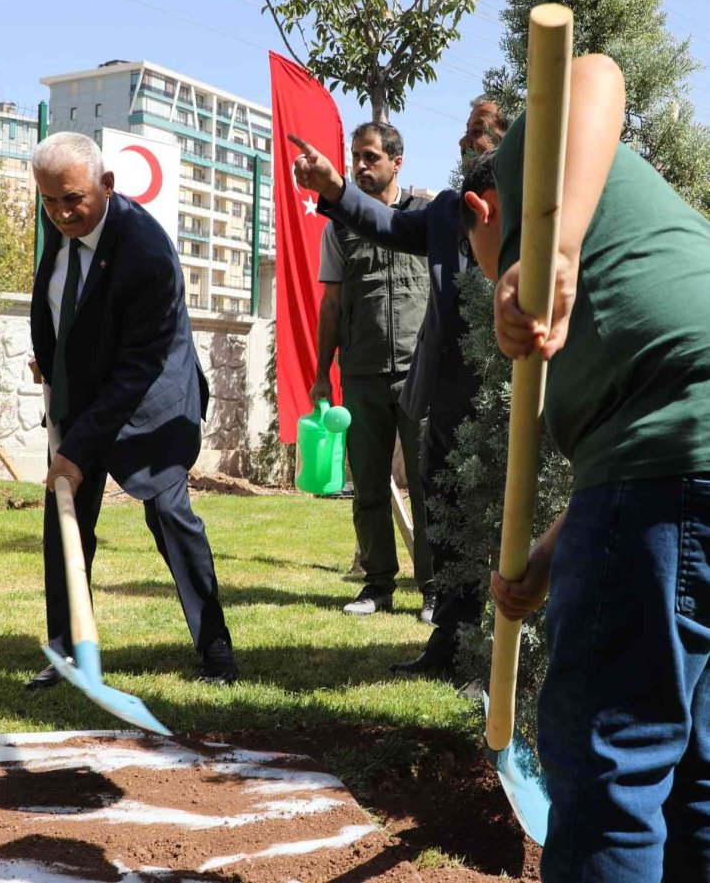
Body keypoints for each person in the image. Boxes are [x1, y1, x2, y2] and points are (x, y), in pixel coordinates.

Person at [461, 54, 710, 883]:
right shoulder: (642, 234)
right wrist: (556, 548)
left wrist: (552, 249)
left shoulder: (535, 176)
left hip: (670, 472)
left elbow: (595, 71)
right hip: (677, 472)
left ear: (480, 212)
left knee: (612, 769)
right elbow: (646, 438)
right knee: (697, 780)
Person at [289, 97, 507, 679]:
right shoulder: (442, 213)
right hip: (443, 390)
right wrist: (334, 188)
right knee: (445, 507)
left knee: (504, 522)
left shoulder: (535, 213)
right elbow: (383, 224)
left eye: (478, 133)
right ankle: (451, 645)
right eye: (463, 134)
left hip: (509, 391)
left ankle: (507, 655)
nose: (465, 143)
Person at [27, 131, 237, 689]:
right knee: (65, 518)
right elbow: (58, 297)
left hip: (152, 399)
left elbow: (140, 364)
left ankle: (215, 646)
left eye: (73, 199)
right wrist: (51, 359)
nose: (61, 213)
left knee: (170, 515)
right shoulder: (57, 220)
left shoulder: (144, 250)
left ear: (107, 185)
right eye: (48, 201)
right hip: (84, 391)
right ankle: (67, 651)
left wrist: (76, 448)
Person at [311, 122, 432, 617]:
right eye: (354, 157)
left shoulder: (426, 216)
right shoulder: (338, 225)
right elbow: (331, 306)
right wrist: (322, 373)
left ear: (396, 162)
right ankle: (377, 586)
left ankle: (436, 588)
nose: (359, 166)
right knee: (368, 484)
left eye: (370, 157)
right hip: (361, 372)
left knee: (429, 485)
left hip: (420, 373)